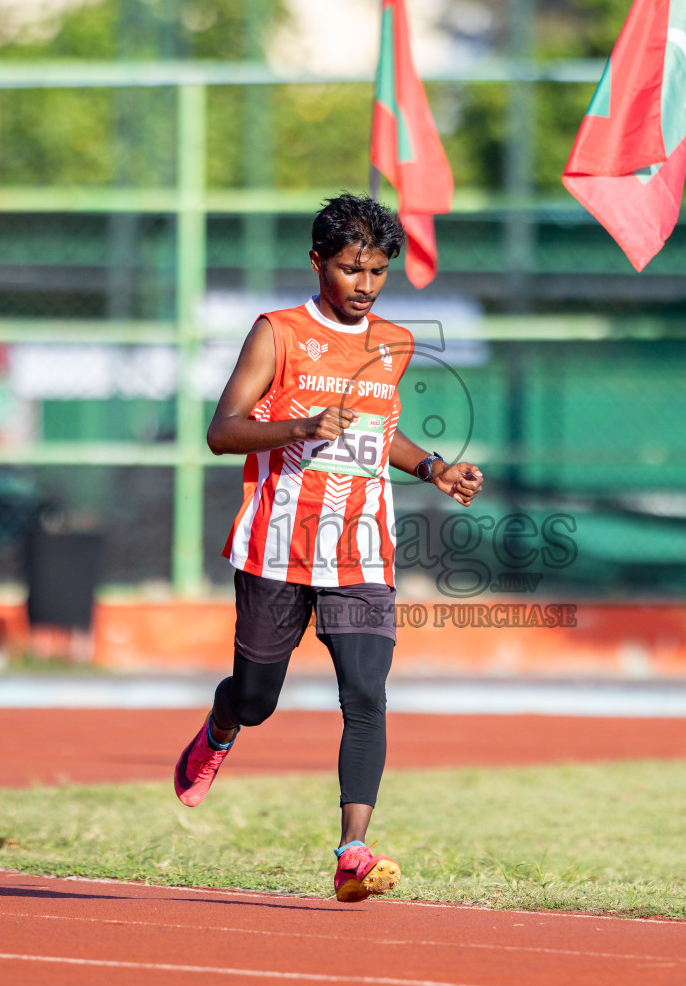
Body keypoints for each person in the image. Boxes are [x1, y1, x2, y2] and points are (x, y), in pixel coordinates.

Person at [173, 193, 484, 903]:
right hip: (277, 548)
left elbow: (379, 432)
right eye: (351, 269)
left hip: (361, 550)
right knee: (257, 700)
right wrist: (300, 426)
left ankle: (352, 851)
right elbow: (222, 432)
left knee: (366, 694)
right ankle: (221, 727)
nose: (365, 285)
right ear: (317, 262)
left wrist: (432, 468)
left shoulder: (394, 343)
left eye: (377, 272)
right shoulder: (277, 333)